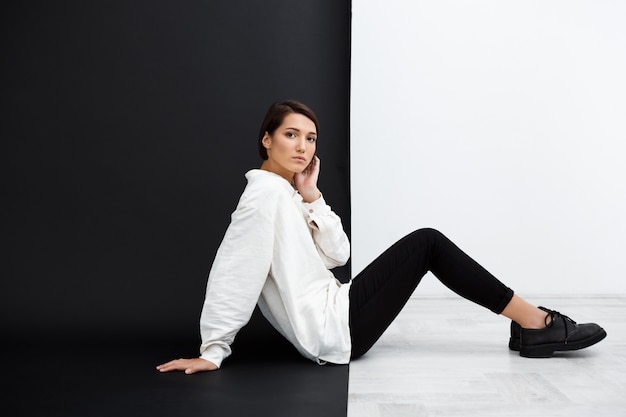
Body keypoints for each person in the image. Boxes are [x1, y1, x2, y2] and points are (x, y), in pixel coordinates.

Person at [156, 100, 606, 374]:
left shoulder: (287, 194)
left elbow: (338, 255)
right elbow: (234, 272)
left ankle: (531, 324)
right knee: (428, 242)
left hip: (339, 311)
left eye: (310, 138)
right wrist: (213, 349)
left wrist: (312, 197)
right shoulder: (263, 197)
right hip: (335, 329)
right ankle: (536, 324)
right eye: (290, 135)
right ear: (266, 140)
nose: (302, 147)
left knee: (428, 242)